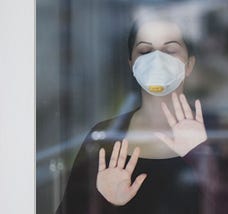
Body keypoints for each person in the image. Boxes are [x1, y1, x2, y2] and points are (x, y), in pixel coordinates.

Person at [56, 17, 217, 214]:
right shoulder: (104, 136)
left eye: (170, 50)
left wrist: (199, 157)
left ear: (189, 65)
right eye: (145, 51)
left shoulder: (218, 134)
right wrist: (104, 202)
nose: (157, 59)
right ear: (132, 64)